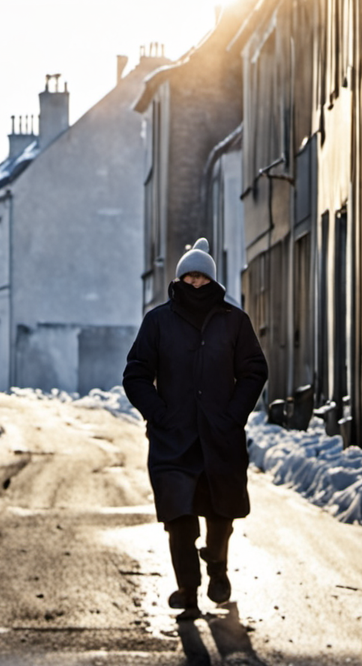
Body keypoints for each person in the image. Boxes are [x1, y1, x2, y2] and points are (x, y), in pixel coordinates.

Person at [123, 237, 268, 620]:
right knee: (178, 520)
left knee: (222, 513)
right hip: (173, 440)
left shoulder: (234, 321)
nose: (196, 284)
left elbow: (254, 371)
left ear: (213, 281)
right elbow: (136, 374)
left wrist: (233, 415)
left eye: (203, 277)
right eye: (189, 276)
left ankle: (217, 571)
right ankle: (187, 589)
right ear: (178, 279)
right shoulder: (158, 322)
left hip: (220, 439)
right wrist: (159, 413)